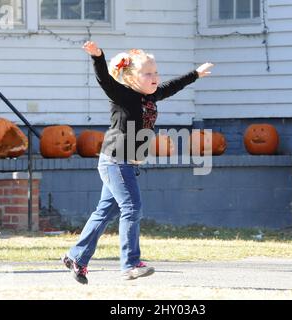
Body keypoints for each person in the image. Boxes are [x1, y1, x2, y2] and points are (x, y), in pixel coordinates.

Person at [62, 41, 214, 284]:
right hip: (116, 161)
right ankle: (130, 264)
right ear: (132, 78)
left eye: (156, 72)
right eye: (148, 73)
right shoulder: (122, 96)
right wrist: (98, 56)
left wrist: (195, 74)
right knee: (132, 208)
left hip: (126, 164)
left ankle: (76, 257)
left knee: (105, 212)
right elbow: (104, 80)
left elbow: (172, 86)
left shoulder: (151, 96)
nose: (155, 78)